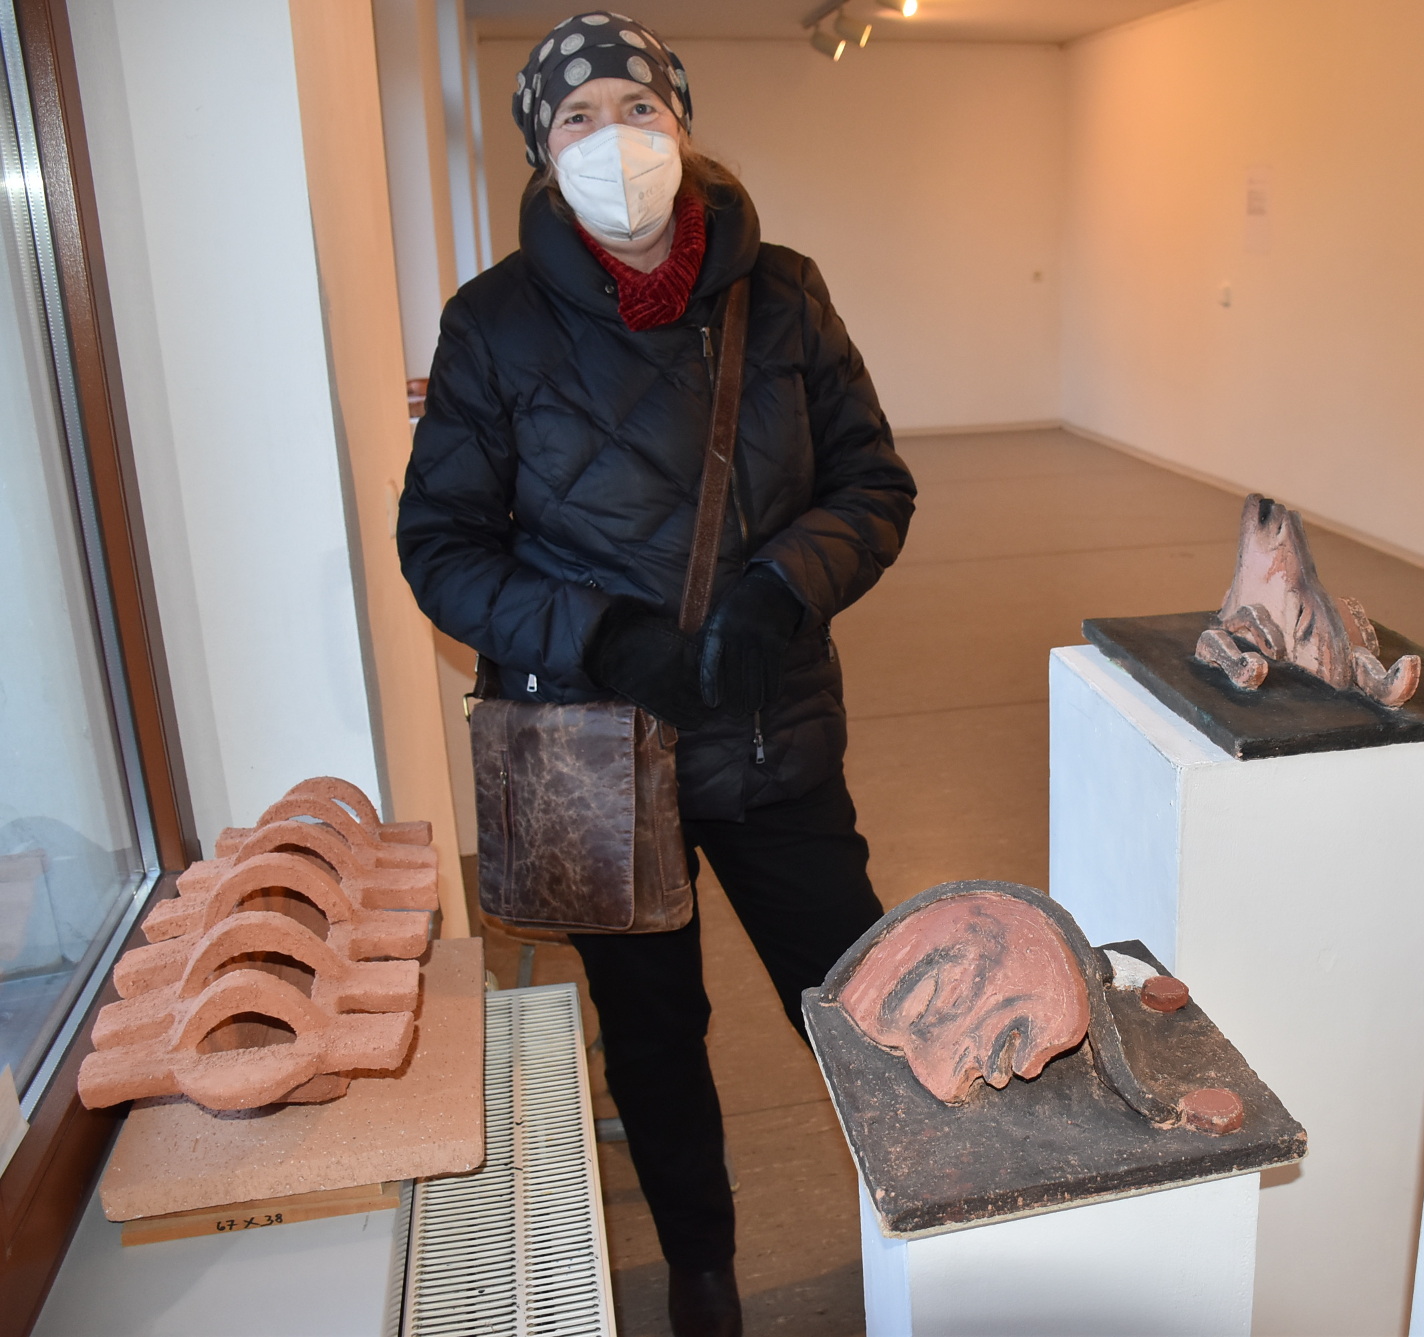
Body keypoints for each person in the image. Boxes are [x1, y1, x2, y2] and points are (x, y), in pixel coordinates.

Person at [397, 14, 916, 1336]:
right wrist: (603, 637)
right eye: (578, 118)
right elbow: (441, 548)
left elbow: (873, 482)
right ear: (542, 149)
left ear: (680, 126)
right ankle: (701, 1264)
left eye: (639, 107)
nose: (612, 138)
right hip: (594, 756)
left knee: (863, 1001)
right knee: (652, 1031)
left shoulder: (782, 291)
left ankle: (931, 1227)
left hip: (772, 726)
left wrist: (781, 588)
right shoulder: (491, 324)